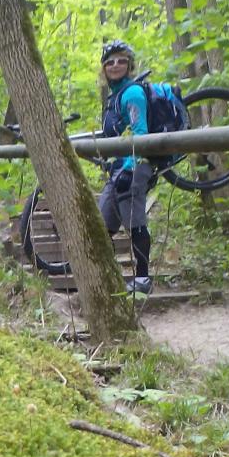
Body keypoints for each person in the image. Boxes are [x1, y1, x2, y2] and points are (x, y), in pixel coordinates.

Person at [97, 39, 153, 295]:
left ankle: (142, 278)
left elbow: (139, 133)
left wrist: (130, 167)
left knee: (135, 223)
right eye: (110, 62)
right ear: (104, 68)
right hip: (118, 168)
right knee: (102, 224)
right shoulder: (113, 98)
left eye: (121, 60)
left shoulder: (132, 93)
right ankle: (107, 279)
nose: (116, 65)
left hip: (134, 166)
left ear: (129, 64)